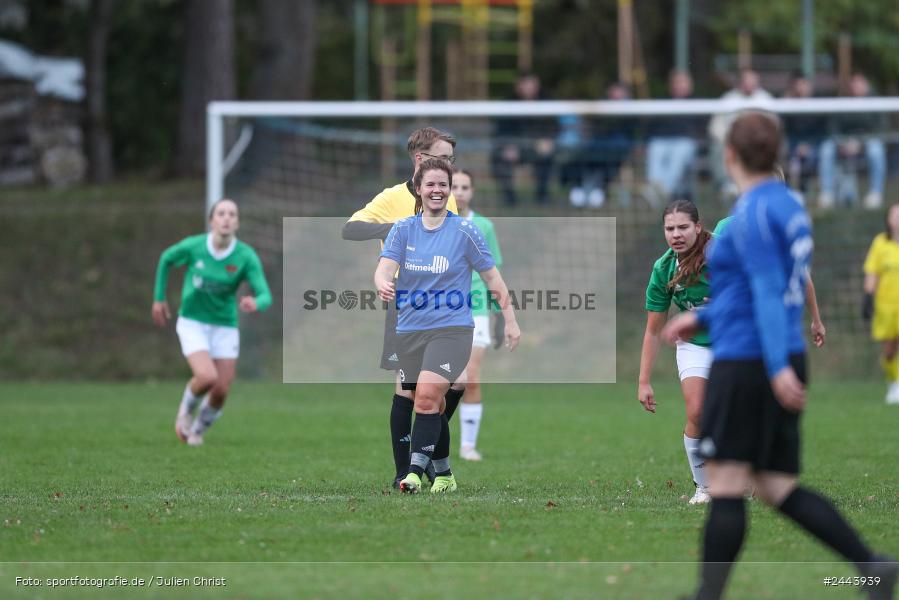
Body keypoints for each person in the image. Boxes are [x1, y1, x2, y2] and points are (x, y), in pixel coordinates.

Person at [662, 111, 897, 600]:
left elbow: (768, 292)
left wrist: (772, 367)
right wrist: (704, 318)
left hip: (750, 360)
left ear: (729, 154)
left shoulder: (750, 215)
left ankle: (706, 596)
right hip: (781, 350)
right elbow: (757, 286)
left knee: (727, 480)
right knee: (775, 486)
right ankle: (873, 566)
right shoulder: (789, 205)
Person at [374, 160, 520, 493]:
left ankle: (413, 473)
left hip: (452, 329)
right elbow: (385, 267)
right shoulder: (403, 229)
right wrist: (382, 282)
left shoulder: (466, 231)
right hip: (409, 330)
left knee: (426, 396)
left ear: (450, 190)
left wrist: (510, 319)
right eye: (430, 184)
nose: (437, 190)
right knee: (433, 404)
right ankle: (444, 473)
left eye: (443, 185)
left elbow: (492, 278)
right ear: (418, 189)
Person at [341, 127, 465, 489]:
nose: (449, 165)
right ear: (421, 159)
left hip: (443, 303)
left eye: (452, 160)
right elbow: (351, 229)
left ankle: (423, 456)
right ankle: (407, 471)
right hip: (407, 304)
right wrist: (393, 228)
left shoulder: (446, 197)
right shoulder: (392, 197)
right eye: (443, 157)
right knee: (408, 389)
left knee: (451, 385)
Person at [152, 199, 271, 446]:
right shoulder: (194, 246)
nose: (226, 218)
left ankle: (197, 430)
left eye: (232, 214)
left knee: (221, 390)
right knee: (206, 377)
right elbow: (166, 259)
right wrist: (158, 298)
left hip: (225, 325)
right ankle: (185, 412)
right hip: (193, 322)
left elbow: (265, 295)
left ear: (237, 223)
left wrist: (255, 302)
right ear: (211, 221)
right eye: (221, 213)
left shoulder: (245, 256)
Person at [639, 200, 714, 505]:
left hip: (736, 342)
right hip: (695, 345)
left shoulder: (722, 255)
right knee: (696, 411)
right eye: (670, 228)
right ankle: (704, 487)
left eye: (683, 227)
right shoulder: (664, 268)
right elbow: (653, 330)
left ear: (698, 227)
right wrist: (644, 381)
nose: (676, 234)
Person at [451, 168, 504, 460]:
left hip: (477, 309)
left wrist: (499, 315)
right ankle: (432, 442)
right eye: (454, 186)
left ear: (472, 191)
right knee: (438, 382)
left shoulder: (484, 226)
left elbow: (493, 274)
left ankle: (468, 445)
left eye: (465, 187)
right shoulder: (434, 223)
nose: (459, 192)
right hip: (441, 310)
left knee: (470, 377)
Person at [818, 73, 887, 210]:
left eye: (860, 83)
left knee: (876, 150)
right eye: (854, 83)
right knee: (826, 148)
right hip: (844, 143)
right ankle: (827, 193)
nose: (857, 86)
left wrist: (860, 145)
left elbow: (880, 129)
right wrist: (841, 144)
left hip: (866, 143)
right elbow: (833, 127)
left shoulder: (876, 102)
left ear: (866, 85)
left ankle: (876, 193)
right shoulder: (842, 101)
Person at [491, 72, 556, 206]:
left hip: (537, 146)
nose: (528, 87)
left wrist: (548, 139)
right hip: (516, 147)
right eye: (525, 84)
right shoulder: (508, 103)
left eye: (531, 84)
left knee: (548, 155)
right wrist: (508, 146)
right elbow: (501, 130)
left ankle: (542, 196)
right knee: (498, 158)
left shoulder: (547, 102)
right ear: (518, 86)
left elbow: (553, 126)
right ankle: (510, 198)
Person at [645, 71, 705, 205]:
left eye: (683, 82)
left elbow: (702, 129)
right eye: (677, 82)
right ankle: (654, 188)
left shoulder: (699, 103)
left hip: (686, 143)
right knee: (655, 147)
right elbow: (653, 126)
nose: (680, 86)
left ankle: (663, 191)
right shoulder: (663, 102)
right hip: (664, 141)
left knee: (680, 152)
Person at [862, 203, 899, 404]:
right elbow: (872, 272)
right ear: (888, 219)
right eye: (895, 215)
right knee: (890, 350)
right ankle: (893, 382)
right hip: (886, 306)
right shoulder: (880, 243)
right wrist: (867, 297)